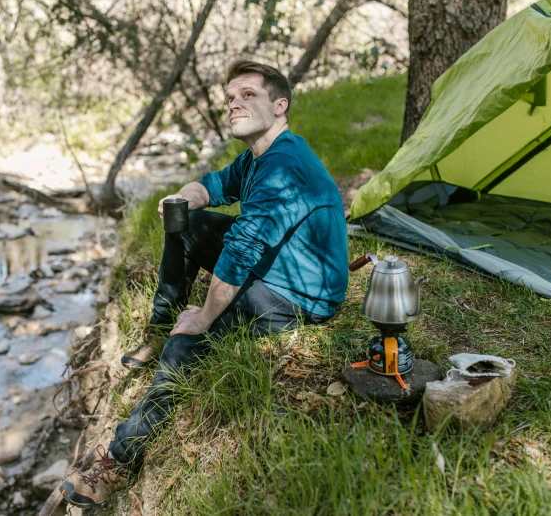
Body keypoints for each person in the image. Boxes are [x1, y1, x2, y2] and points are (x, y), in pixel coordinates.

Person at [60, 60, 348, 507]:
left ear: (280, 105)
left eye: (248, 95)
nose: (234, 104)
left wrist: (205, 316)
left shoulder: (285, 164)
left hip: (301, 295)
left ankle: (117, 463)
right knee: (186, 224)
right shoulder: (259, 157)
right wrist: (184, 199)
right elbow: (214, 184)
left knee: (189, 344)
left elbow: (240, 252)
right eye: (230, 98)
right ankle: (158, 331)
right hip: (274, 267)